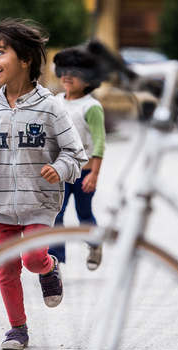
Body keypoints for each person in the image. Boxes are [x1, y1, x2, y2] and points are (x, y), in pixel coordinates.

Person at [0, 19, 88, 350]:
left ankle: (48, 267)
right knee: (7, 269)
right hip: (0, 203)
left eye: (0, 52)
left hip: (39, 202)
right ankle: (17, 329)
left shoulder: (50, 108)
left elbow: (76, 153)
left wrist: (60, 169)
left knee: (32, 258)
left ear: (26, 59)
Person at [47, 47, 107, 270]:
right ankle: (55, 260)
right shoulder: (55, 101)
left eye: (75, 72)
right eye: (64, 70)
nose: (67, 76)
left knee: (84, 213)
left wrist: (95, 174)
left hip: (84, 173)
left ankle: (94, 243)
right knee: (57, 214)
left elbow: (100, 141)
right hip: (60, 171)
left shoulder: (91, 107)